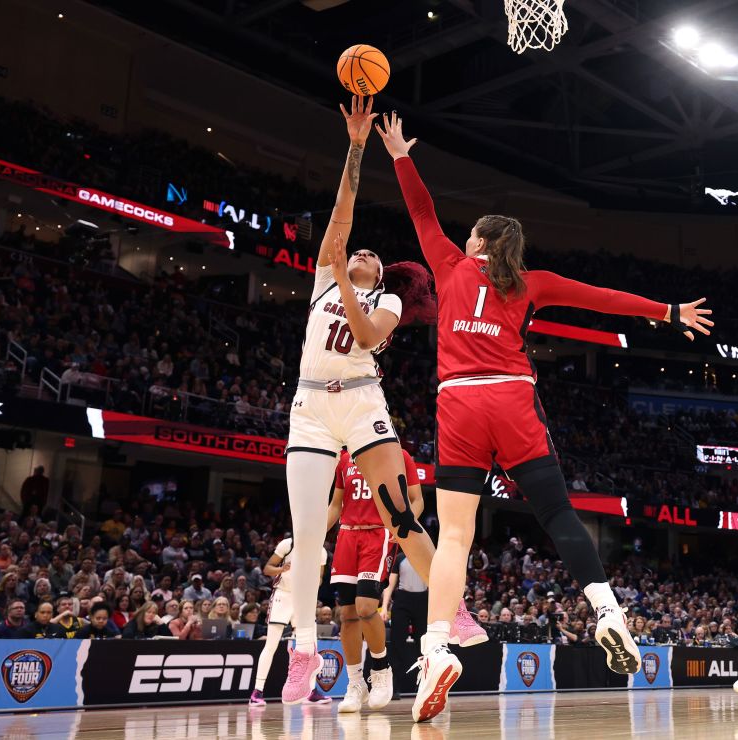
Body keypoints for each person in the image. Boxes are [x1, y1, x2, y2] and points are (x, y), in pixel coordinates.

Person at [377, 112, 712, 722]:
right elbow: (601, 299)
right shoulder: (532, 283)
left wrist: (401, 153)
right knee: (557, 514)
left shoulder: (450, 265)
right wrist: (667, 310)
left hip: (458, 403)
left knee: (452, 534)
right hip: (511, 398)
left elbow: (422, 213)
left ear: (477, 241)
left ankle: (435, 650)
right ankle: (607, 610)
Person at [280, 95, 443, 705]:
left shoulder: (388, 302)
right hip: (310, 405)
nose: (362, 253)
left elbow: (369, 336)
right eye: (357, 251)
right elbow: (341, 215)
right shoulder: (328, 275)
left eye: (371, 256)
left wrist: (353, 286)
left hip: (360, 399)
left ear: (380, 273)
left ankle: (453, 611)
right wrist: (355, 145)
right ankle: (303, 650)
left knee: (401, 513)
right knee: (304, 534)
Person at [327, 447, 478, 713]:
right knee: (347, 614)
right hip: (347, 535)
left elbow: (416, 499)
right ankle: (354, 684)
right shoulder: (343, 459)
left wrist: (403, 522)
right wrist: (308, 537)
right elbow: (335, 504)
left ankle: (381, 667)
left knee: (364, 607)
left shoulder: (399, 455)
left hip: (378, 534)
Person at [250, 537, 330, 707]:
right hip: (283, 595)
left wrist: (312, 580)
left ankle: (311, 691)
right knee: (271, 645)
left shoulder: (320, 551)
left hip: (303, 599)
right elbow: (267, 569)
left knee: (311, 646)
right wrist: (282, 568)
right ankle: (257, 692)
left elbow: (320, 578)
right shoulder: (288, 544)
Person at [382, 550, 428, 701]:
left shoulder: (428, 557)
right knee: (397, 645)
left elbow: (434, 583)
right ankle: (394, 687)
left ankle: (425, 686)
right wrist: (384, 607)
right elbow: (390, 585)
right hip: (402, 601)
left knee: (423, 646)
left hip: (422, 601)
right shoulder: (400, 558)